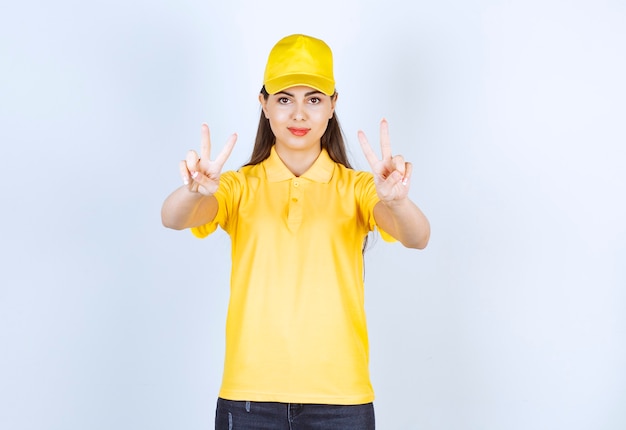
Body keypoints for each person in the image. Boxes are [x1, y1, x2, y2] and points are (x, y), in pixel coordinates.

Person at [161, 34, 430, 430]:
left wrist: (396, 202)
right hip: (249, 398)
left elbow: (417, 236)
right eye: (285, 99)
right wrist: (192, 191)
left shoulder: (358, 189)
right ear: (264, 104)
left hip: (341, 401)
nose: (299, 114)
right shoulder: (238, 186)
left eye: (314, 99)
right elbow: (173, 217)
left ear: (333, 105)